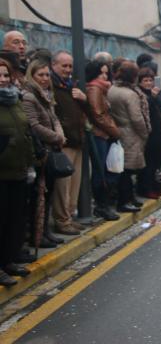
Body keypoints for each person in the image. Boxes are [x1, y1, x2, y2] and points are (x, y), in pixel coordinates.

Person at [22, 59, 67, 248]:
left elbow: (54, 118)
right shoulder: (29, 97)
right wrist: (55, 137)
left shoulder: (47, 96)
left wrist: (60, 134)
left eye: (47, 75)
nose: (45, 78)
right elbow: (34, 125)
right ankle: (36, 234)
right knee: (38, 197)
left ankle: (45, 231)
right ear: (32, 76)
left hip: (52, 148)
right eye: (40, 75)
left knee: (48, 194)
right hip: (40, 151)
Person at [0, 59, 35, 286]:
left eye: (5, 75)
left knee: (14, 219)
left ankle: (8, 260)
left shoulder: (15, 101)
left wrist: (30, 162)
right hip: (1, 173)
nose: (2, 80)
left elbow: (26, 132)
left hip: (19, 171)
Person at [49, 51, 87, 235]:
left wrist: (83, 99)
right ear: (53, 65)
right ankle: (62, 221)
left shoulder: (72, 87)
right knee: (62, 187)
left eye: (70, 66)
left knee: (74, 185)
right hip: (64, 143)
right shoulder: (52, 87)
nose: (67, 69)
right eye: (64, 65)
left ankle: (69, 217)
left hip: (77, 140)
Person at [107, 61, 151, 213]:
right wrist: (145, 132)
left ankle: (128, 198)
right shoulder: (130, 94)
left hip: (118, 130)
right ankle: (124, 201)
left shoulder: (112, 89)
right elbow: (136, 118)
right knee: (127, 170)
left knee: (123, 168)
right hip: (131, 133)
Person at [85, 59, 121, 221]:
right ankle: (101, 205)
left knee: (110, 169)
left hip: (105, 134)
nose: (105, 76)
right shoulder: (94, 88)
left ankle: (105, 204)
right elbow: (98, 115)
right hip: (100, 134)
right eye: (101, 72)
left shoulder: (103, 88)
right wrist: (115, 132)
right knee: (101, 172)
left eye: (107, 72)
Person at [137, 66, 161, 198]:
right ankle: (147, 188)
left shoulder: (155, 93)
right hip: (149, 134)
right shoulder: (141, 95)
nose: (149, 83)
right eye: (145, 80)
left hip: (159, 133)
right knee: (148, 164)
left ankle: (159, 185)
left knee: (158, 162)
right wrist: (153, 98)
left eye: (150, 80)